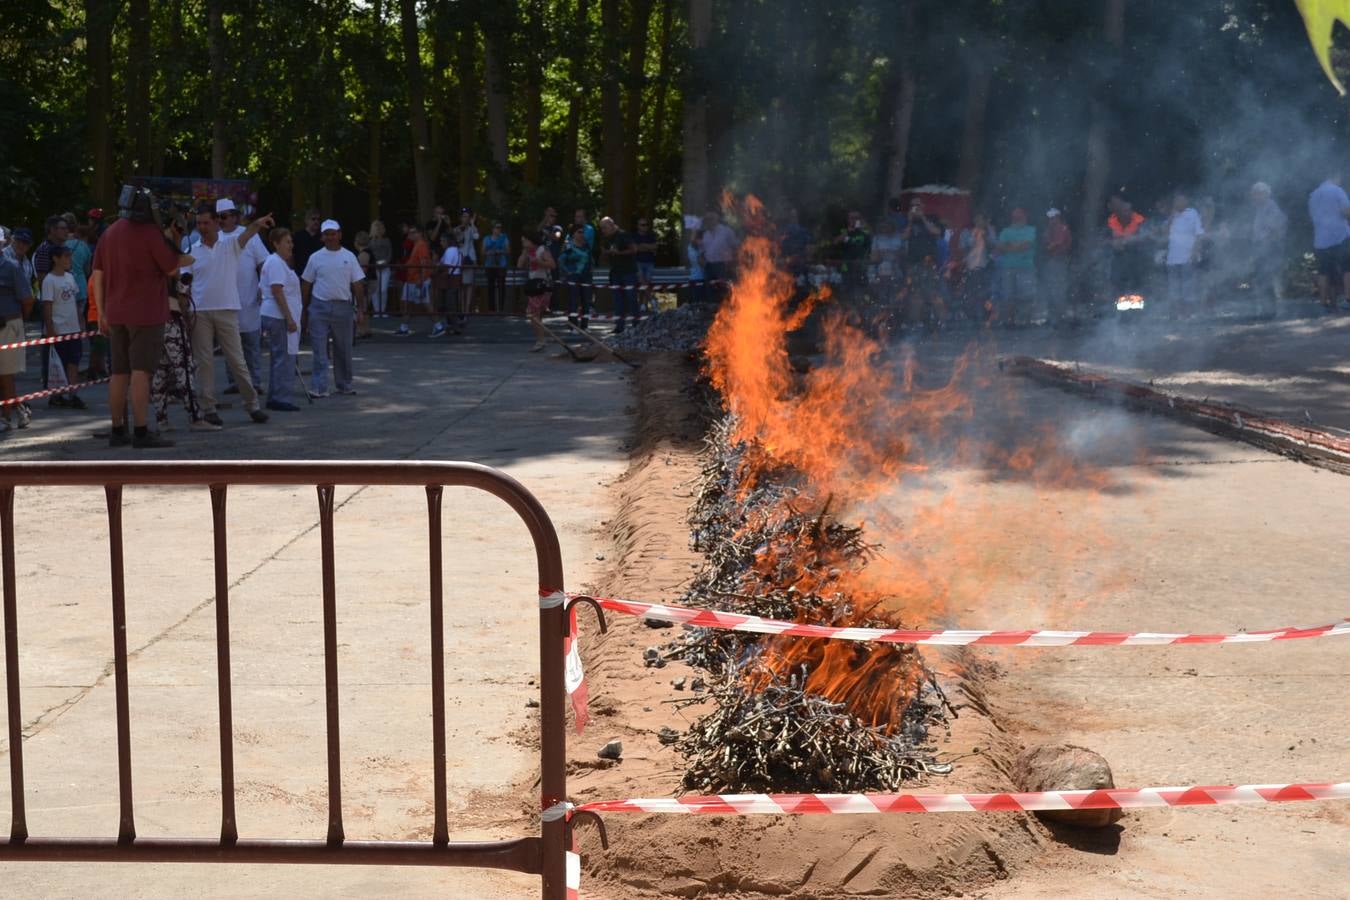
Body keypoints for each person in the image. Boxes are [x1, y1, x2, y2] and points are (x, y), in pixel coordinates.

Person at [91, 189, 197, 448]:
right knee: (141, 373)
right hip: (146, 314)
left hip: (115, 313)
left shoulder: (111, 232)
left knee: (118, 373)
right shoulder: (151, 234)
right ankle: (141, 431)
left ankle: (118, 430)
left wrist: (102, 313)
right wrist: (185, 251)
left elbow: (98, 274)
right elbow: (172, 268)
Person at [188, 203, 273, 427]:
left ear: (216, 223)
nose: (202, 227)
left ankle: (252, 405)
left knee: (237, 360)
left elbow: (246, 235)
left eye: (206, 222)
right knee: (204, 362)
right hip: (200, 312)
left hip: (226, 309)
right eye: (199, 223)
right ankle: (208, 408)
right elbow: (184, 283)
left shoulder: (229, 246)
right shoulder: (192, 251)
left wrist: (257, 223)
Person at [300, 218, 366, 397]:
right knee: (319, 349)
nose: (330, 237)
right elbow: (306, 284)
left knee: (344, 348)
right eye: (326, 234)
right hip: (319, 306)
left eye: (333, 233)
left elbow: (358, 284)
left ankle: (344, 385)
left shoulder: (349, 256)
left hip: (343, 306)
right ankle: (319, 387)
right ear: (322, 237)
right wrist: (303, 310)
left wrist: (360, 309)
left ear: (339, 235)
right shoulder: (315, 257)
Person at [219, 200, 267, 396]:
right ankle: (234, 382)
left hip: (248, 298)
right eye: (218, 217)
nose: (220, 221)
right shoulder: (216, 237)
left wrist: (263, 287)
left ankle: (254, 381)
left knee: (251, 344)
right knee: (229, 345)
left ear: (234, 216)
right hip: (225, 299)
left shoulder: (250, 236)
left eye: (223, 216)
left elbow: (264, 262)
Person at [260, 227, 304, 411]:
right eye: (287, 242)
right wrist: (289, 318)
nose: (290, 245)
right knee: (283, 357)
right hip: (279, 316)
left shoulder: (277, 262)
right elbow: (277, 290)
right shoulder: (276, 262)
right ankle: (280, 397)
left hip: (276, 315)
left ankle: (276, 396)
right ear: (276, 244)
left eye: (291, 241)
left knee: (280, 356)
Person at [40, 245, 85, 409]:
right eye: (65, 256)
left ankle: (73, 394)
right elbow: (47, 306)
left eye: (69, 256)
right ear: (55, 258)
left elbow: (75, 301)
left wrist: (80, 323)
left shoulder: (70, 277)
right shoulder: (49, 280)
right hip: (58, 329)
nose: (68, 260)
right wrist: (50, 328)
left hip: (73, 328)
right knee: (56, 363)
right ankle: (55, 395)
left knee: (73, 362)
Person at [0, 247, 34, 434]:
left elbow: (27, 299)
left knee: (5, 373)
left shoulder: (11, 267)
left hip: (7, 325)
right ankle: (20, 410)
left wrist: (19, 320)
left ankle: (6, 418)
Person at [1307, 171, 1350, 313]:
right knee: (1347, 268)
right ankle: (1348, 300)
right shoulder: (1337, 190)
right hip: (1340, 236)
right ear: (1335, 177)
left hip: (1321, 239)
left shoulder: (1313, 195)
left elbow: (1313, 216)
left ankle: (1323, 304)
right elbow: (1346, 211)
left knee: (1324, 271)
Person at [1248, 182, 1288, 318]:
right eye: (1253, 194)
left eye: (1256, 194)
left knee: (1270, 279)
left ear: (1265, 194)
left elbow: (1278, 228)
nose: (1254, 197)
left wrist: (1268, 244)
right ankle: (1267, 310)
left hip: (1270, 249)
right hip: (1261, 249)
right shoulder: (1260, 209)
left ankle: (1274, 312)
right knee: (1262, 280)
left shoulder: (1271, 208)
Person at [902, 199, 943, 327]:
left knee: (932, 292)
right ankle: (916, 322)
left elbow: (936, 231)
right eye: (912, 205)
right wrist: (909, 221)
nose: (915, 208)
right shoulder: (909, 219)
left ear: (923, 206)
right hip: (914, 262)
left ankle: (940, 320)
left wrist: (923, 218)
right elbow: (903, 237)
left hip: (929, 262)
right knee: (915, 293)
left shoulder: (932, 217)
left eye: (918, 205)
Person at [996, 208, 1037, 326]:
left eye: (1019, 217)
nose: (1017, 220)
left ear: (1025, 218)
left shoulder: (1031, 230)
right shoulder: (1005, 231)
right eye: (1015, 217)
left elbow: (1026, 245)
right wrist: (1017, 246)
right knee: (1009, 296)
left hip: (1026, 267)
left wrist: (1009, 246)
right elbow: (1001, 247)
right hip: (1008, 267)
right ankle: (1011, 321)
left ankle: (1027, 321)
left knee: (1027, 295)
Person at [1166, 193, 1205, 316]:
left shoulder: (1192, 214)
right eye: (1176, 201)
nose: (1177, 203)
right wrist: (1171, 217)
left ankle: (1189, 313)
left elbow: (1199, 234)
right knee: (1174, 288)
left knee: (1188, 287)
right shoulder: (1172, 216)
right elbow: (1164, 233)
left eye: (1180, 200)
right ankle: (1177, 314)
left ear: (1186, 201)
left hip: (1187, 257)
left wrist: (1195, 251)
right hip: (1172, 259)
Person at [600, 217, 640, 334]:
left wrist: (619, 253)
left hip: (628, 272)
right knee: (617, 300)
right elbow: (606, 257)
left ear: (611, 225)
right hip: (615, 273)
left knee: (631, 298)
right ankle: (619, 326)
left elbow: (634, 250)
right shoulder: (606, 239)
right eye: (601, 228)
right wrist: (606, 254)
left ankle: (637, 325)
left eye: (604, 227)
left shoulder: (623, 235)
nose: (603, 230)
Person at [519, 233, 556, 352]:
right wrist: (524, 253)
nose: (524, 244)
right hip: (534, 285)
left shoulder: (542, 249)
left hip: (543, 285)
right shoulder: (527, 252)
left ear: (532, 241)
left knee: (532, 313)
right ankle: (541, 339)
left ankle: (541, 340)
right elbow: (519, 265)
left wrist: (539, 262)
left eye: (525, 241)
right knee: (535, 315)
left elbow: (552, 265)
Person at [960, 212, 997, 324]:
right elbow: (962, 248)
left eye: (981, 219)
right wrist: (973, 236)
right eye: (978, 219)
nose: (979, 221)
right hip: (970, 267)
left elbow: (994, 245)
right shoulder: (966, 232)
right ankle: (972, 318)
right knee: (971, 294)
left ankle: (986, 319)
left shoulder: (989, 230)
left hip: (984, 267)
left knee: (985, 294)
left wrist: (985, 236)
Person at [396, 225, 434, 336]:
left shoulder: (421, 245)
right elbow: (415, 261)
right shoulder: (416, 245)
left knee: (426, 304)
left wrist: (421, 280)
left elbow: (423, 263)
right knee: (408, 304)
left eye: (413, 232)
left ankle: (438, 325)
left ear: (420, 233)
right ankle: (404, 327)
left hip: (418, 281)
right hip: (412, 280)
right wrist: (405, 266)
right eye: (410, 232)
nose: (410, 235)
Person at [559, 225, 594, 327]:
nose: (581, 234)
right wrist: (567, 272)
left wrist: (591, 269)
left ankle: (585, 325)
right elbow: (561, 260)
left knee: (586, 301)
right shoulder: (568, 246)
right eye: (579, 232)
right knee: (573, 301)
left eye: (582, 232)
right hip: (573, 276)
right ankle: (573, 325)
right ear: (573, 234)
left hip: (586, 276)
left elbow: (590, 258)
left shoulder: (586, 245)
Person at [1043, 208, 1073, 323]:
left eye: (1052, 217)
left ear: (1057, 217)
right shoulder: (1050, 229)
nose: (1051, 220)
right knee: (1052, 287)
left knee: (1059, 288)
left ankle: (1060, 315)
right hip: (1053, 260)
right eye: (1050, 218)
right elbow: (1046, 243)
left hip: (1060, 260)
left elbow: (1057, 243)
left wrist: (1051, 246)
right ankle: (1054, 315)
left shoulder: (1062, 228)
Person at [700, 210, 738, 301]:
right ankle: (712, 309)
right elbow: (702, 251)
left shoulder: (726, 231)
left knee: (724, 290)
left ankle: (725, 311)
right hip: (709, 266)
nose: (707, 222)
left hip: (723, 265)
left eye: (709, 220)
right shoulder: (705, 234)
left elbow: (735, 247)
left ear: (715, 220)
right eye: (706, 220)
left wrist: (732, 263)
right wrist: (702, 260)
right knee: (710, 290)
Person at [835, 210, 872, 302]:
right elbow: (835, 242)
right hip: (846, 268)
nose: (854, 220)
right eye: (852, 218)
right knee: (846, 295)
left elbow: (871, 240)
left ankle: (860, 314)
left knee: (860, 294)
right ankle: (845, 314)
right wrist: (848, 232)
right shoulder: (843, 231)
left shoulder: (865, 232)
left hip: (861, 267)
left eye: (857, 218)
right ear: (848, 220)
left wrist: (864, 226)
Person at [434, 233, 463, 337]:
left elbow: (446, 266)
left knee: (450, 304)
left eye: (442, 241)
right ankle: (453, 324)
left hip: (450, 279)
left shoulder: (450, 250)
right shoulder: (456, 250)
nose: (441, 243)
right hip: (454, 278)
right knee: (450, 303)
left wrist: (438, 267)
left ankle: (456, 326)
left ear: (447, 241)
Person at [454, 208, 479, 319]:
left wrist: (473, 224)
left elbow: (476, 237)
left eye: (467, 216)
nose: (465, 218)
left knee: (468, 285)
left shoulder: (472, 229)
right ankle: (462, 310)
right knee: (460, 286)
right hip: (459, 259)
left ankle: (467, 310)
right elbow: (458, 243)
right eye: (463, 216)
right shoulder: (456, 229)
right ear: (460, 218)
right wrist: (461, 233)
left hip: (470, 259)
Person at [482, 222, 510, 313]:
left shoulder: (504, 238)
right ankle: (491, 309)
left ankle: (501, 309)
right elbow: (482, 252)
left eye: (500, 228)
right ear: (492, 229)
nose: (498, 229)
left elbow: (508, 250)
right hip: (490, 265)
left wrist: (500, 251)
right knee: (491, 287)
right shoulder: (486, 239)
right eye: (496, 227)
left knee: (502, 287)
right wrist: (488, 253)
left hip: (501, 265)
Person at [368, 220, 393, 318]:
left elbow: (390, 253)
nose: (378, 229)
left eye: (380, 227)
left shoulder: (387, 240)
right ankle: (377, 311)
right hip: (374, 268)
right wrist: (374, 264)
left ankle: (382, 310)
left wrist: (386, 262)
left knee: (383, 289)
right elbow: (369, 254)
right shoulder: (370, 242)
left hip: (385, 267)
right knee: (375, 290)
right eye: (376, 227)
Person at [634, 217, 659, 313]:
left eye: (647, 224)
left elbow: (655, 247)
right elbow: (635, 249)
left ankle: (643, 304)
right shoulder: (634, 236)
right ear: (638, 226)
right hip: (638, 262)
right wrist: (649, 247)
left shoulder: (651, 235)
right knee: (642, 280)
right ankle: (652, 300)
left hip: (649, 262)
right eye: (642, 225)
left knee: (646, 283)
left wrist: (642, 245)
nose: (645, 227)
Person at [353, 230, 375, 339]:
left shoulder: (364, 254)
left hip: (365, 283)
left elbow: (362, 271)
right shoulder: (368, 252)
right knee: (364, 306)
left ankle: (361, 330)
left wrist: (358, 283)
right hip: (369, 282)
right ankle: (366, 329)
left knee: (361, 306)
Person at [292, 209, 323, 276]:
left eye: (318, 219)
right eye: (313, 219)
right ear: (306, 220)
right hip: (300, 273)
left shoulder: (322, 237)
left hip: (318, 274)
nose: (316, 221)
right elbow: (292, 255)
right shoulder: (297, 236)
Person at [686, 229, 707, 305]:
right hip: (697, 279)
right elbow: (702, 263)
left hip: (697, 278)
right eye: (701, 239)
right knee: (698, 303)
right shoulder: (692, 249)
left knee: (699, 302)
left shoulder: (694, 248)